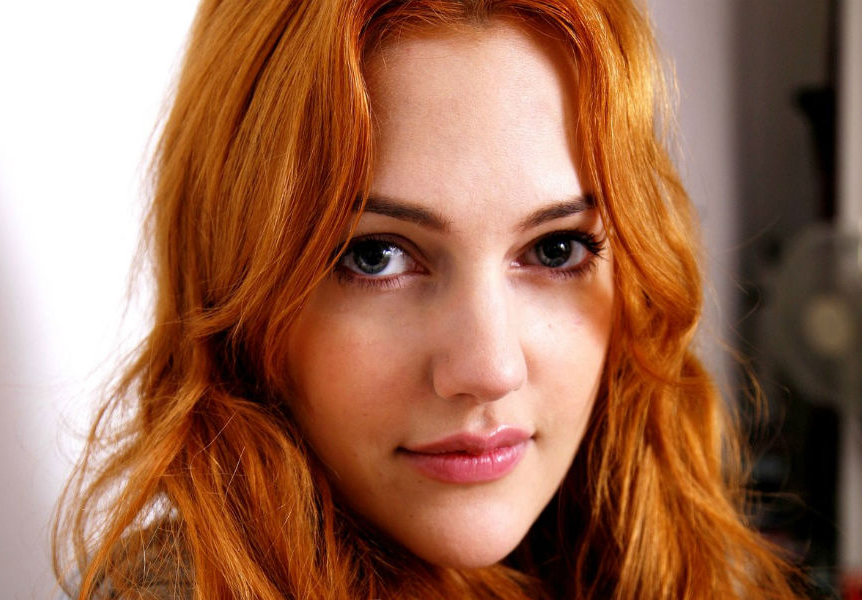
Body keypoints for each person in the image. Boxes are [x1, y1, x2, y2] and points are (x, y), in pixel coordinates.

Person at [52, 1, 805, 598]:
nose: (489, 368)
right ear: (238, 282)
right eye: (375, 256)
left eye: (556, 249)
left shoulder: (670, 557)